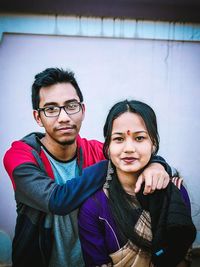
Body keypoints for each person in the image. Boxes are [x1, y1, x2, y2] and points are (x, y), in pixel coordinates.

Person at [4, 68, 171, 267]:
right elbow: (58, 200)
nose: (64, 117)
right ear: (38, 117)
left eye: (71, 106)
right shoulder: (20, 156)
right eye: (51, 109)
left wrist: (157, 165)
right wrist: (111, 163)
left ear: (82, 110)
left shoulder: (94, 150)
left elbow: (133, 156)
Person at [78, 99, 196, 267]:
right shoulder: (93, 208)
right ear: (107, 148)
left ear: (153, 144)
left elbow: (181, 255)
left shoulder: (175, 192)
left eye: (139, 138)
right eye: (119, 139)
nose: (129, 148)